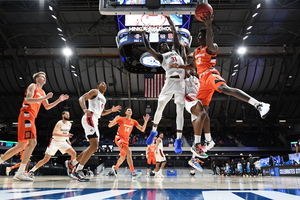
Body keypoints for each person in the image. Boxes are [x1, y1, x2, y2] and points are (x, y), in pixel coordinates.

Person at [170, 14, 270, 150]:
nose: (199, 37)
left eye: (201, 35)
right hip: (202, 82)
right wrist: (180, 66)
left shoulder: (211, 48)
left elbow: (211, 41)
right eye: (198, 36)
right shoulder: (197, 51)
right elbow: (191, 66)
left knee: (224, 88)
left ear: (206, 37)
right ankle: (203, 142)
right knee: (201, 112)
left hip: (210, 74)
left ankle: (258, 104)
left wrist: (208, 26)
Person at [0, 71, 69, 181]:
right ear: (37, 79)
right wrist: (44, 97)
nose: (44, 78)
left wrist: (59, 100)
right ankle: (20, 172)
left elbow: (47, 106)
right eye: (42, 77)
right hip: (26, 114)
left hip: (31, 118)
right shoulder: (33, 86)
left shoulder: (42, 91)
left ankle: (2, 161)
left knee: (21, 146)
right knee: (33, 142)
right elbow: (28, 99)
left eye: (45, 77)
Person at [141, 15, 185, 154]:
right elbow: (148, 49)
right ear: (160, 50)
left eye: (164, 43)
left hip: (181, 82)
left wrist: (169, 19)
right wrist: (143, 36)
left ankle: (178, 140)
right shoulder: (161, 57)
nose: (164, 45)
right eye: (161, 46)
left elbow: (174, 33)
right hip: (170, 81)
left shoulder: (176, 50)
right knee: (160, 107)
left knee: (180, 111)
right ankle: (153, 131)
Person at [69, 81, 121, 182]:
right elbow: (82, 98)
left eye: (105, 84)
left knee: (93, 147)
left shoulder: (103, 98)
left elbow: (102, 113)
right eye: (102, 83)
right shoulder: (95, 92)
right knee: (94, 146)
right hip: (90, 117)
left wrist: (111, 110)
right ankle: (77, 170)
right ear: (97, 86)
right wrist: (84, 109)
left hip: (95, 119)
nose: (104, 85)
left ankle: (72, 163)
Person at [28, 111, 76, 179]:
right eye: (66, 114)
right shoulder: (59, 123)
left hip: (63, 142)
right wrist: (65, 135)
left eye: (68, 114)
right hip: (55, 142)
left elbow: (67, 132)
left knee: (73, 153)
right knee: (46, 159)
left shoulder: (69, 124)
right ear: (62, 115)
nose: (68, 115)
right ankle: (31, 171)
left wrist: (68, 140)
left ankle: (71, 169)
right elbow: (54, 133)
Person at [109, 107, 150, 180]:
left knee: (123, 157)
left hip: (126, 141)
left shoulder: (134, 121)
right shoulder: (121, 119)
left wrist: (146, 122)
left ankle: (115, 168)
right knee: (129, 152)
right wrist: (114, 120)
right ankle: (133, 172)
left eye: (131, 110)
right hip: (119, 138)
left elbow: (142, 129)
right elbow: (110, 125)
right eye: (128, 110)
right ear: (125, 112)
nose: (130, 111)